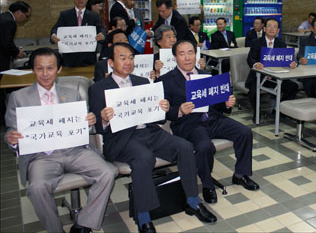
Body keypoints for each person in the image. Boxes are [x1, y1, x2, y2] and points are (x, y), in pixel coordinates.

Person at [89, 42, 217, 232]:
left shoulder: (142, 82)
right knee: (144, 158)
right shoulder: (99, 88)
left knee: (185, 147)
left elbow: (157, 117)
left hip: (149, 132)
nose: (128, 62)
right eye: (122, 58)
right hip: (121, 139)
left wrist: (163, 108)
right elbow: (98, 128)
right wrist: (103, 118)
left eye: (131, 57)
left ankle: (192, 201)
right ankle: (144, 216)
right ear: (111, 62)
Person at [5, 48, 117, 233]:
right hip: (41, 156)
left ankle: (84, 223)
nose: (45, 74)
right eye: (39, 69)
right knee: (36, 188)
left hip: (75, 151)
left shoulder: (72, 93)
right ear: (33, 70)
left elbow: (83, 127)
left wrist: (89, 121)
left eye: (50, 68)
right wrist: (11, 138)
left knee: (108, 172)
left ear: (58, 69)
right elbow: (11, 130)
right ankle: (55, 229)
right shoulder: (19, 97)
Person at [157, 40, 259, 205]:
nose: (187, 58)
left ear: (195, 54)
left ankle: (241, 175)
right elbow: (162, 111)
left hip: (213, 118)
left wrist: (226, 103)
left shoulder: (206, 74)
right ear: (175, 57)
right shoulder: (165, 80)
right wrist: (179, 110)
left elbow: (216, 102)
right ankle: (207, 184)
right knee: (204, 146)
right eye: (182, 54)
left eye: (190, 52)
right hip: (189, 124)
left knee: (245, 132)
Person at [245, 18, 299, 122]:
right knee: (253, 90)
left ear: (278, 31)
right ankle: (257, 112)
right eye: (269, 26)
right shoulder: (256, 42)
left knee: (293, 87)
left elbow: (287, 60)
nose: (272, 29)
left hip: (276, 77)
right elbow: (250, 58)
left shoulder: (281, 44)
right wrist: (256, 64)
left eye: (275, 27)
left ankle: (278, 110)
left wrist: (293, 64)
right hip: (259, 77)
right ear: (264, 29)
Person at [50, 0, 106, 67]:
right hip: (69, 57)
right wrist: (53, 35)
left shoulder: (93, 15)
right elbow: (55, 28)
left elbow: (101, 28)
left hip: (88, 57)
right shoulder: (65, 15)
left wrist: (102, 34)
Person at [0, 1, 31, 127]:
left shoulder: (3, 17)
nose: (25, 19)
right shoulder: (9, 22)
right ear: (18, 12)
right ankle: (3, 121)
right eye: (26, 15)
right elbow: (6, 43)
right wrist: (17, 52)